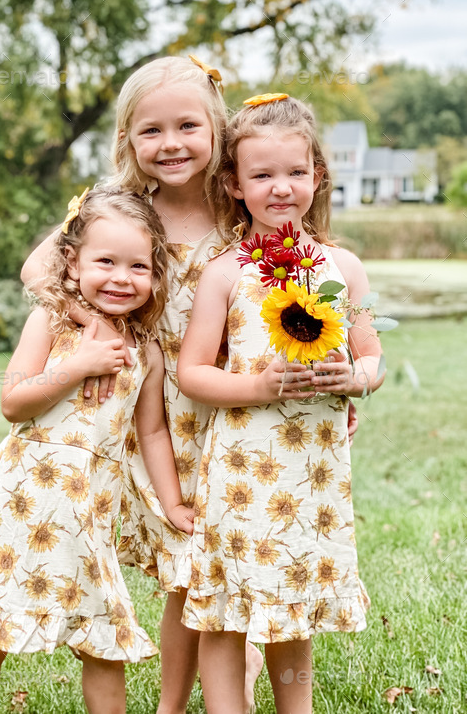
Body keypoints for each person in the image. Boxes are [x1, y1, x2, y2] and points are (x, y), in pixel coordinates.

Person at [21, 57, 358, 713]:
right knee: (187, 570)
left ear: (218, 134)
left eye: (187, 126)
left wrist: (330, 386)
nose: (170, 143)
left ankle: (212, 687)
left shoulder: (240, 205)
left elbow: (310, 299)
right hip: (158, 415)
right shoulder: (123, 210)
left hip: (237, 419)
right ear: (128, 141)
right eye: (151, 131)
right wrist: (94, 321)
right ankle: (177, 703)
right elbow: (41, 267)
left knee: (208, 564)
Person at [0, 187, 194, 714]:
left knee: (102, 640)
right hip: (22, 503)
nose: (122, 278)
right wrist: (75, 366)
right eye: (105, 261)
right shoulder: (51, 324)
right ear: (73, 264)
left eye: (138, 267)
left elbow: (150, 434)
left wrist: (171, 504)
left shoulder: (144, 351)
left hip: (89, 514)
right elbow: (13, 402)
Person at [176, 93, 384, 714]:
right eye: (261, 175)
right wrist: (258, 387)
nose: (281, 188)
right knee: (225, 611)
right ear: (235, 185)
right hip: (242, 468)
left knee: (293, 607)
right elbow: (192, 372)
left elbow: (371, 357)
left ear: (317, 176)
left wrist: (355, 377)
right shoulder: (224, 272)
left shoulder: (342, 267)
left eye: (295, 172)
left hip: (312, 474)